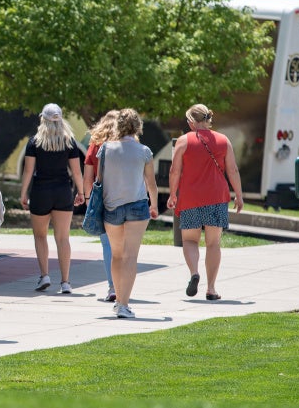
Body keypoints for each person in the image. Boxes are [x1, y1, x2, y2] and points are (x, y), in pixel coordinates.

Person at [166, 104, 245, 301]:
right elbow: (232, 170)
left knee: (190, 240)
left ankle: (194, 273)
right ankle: (211, 288)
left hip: (191, 197)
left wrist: (172, 194)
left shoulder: (183, 141)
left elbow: (174, 171)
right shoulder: (223, 140)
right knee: (213, 243)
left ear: (192, 122)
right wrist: (239, 194)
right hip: (216, 197)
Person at [98, 109, 159, 318]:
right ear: (137, 126)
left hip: (111, 206)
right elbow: (151, 183)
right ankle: (124, 304)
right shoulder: (144, 151)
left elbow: (100, 180)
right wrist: (155, 206)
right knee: (131, 256)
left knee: (116, 255)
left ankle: (117, 299)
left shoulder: (105, 149)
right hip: (137, 205)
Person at [19, 103, 85, 294]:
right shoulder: (69, 142)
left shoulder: (34, 142)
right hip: (63, 191)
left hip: (40, 192)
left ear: (43, 119)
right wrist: (81, 193)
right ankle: (65, 282)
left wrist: (23, 193)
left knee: (40, 236)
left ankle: (45, 276)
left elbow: (28, 170)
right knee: (63, 238)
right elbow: (76, 172)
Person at [82, 110, 121, 303]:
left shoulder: (95, 143)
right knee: (124, 244)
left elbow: (88, 176)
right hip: (125, 196)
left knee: (107, 244)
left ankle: (112, 287)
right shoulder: (128, 143)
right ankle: (124, 285)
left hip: (103, 197)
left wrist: (88, 199)